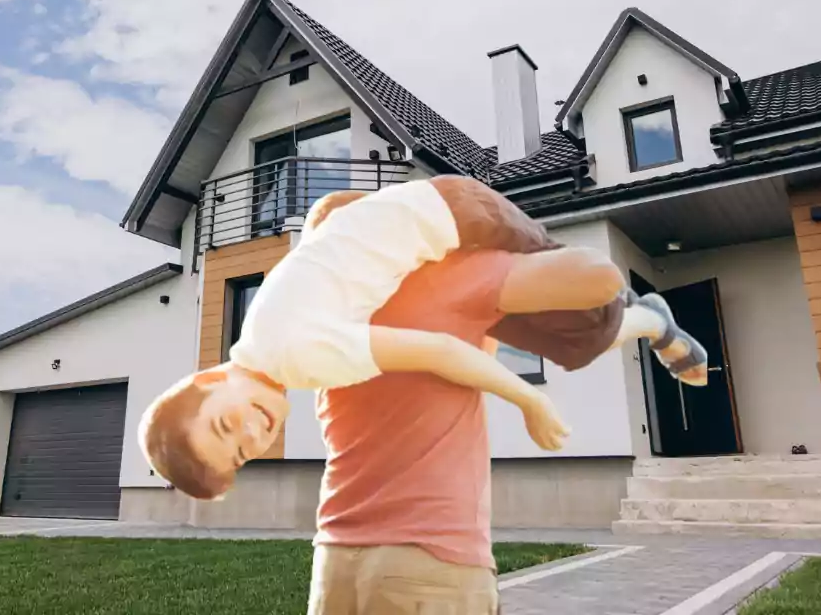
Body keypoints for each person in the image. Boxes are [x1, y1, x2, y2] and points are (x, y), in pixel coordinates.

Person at [138, 176, 708, 501]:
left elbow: (437, 352)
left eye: (224, 422)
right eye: (241, 452)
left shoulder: (297, 355)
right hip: (437, 219)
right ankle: (638, 316)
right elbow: (329, 234)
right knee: (536, 332)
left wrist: (527, 398)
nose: (252, 433)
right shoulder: (261, 329)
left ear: (211, 378)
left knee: (580, 332)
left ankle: (646, 316)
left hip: (463, 219)